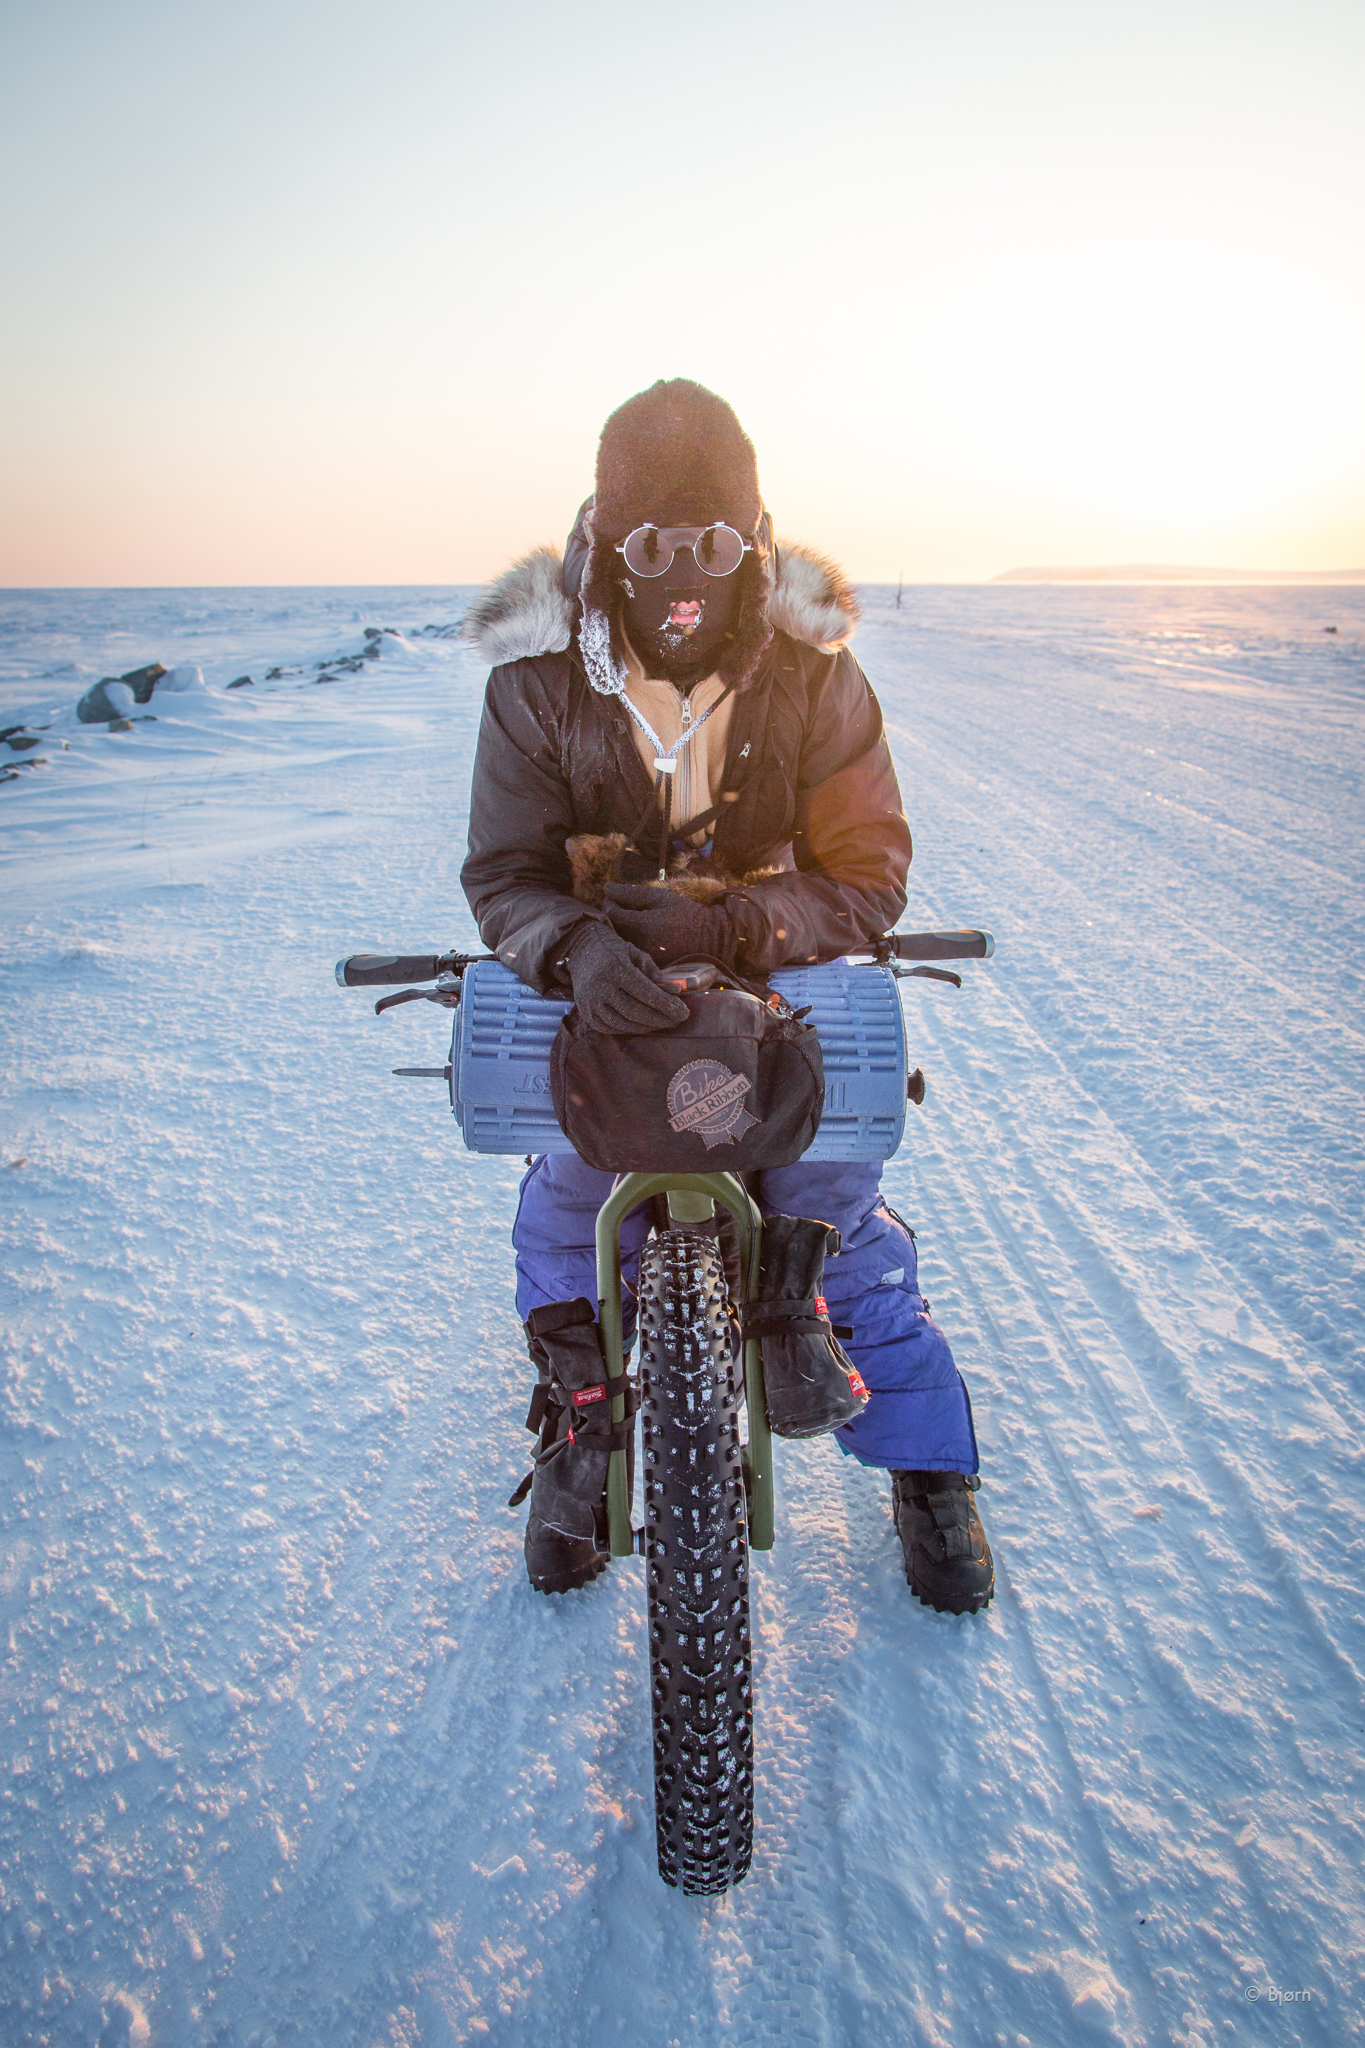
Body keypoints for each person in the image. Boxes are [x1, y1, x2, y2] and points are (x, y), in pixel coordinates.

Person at [461, 379, 993, 1614]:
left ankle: (919, 1457)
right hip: (616, 1000)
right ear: (605, 545)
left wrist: (747, 919)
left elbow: (868, 870)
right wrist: (570, 949)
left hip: (780, 988)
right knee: (573, 1210)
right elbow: (507, 875)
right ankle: (582, 1428)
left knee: (838, 1210)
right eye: (650, 546)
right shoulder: (536, 686)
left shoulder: (817, 678)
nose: (681, 576)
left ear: (753, 542)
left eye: (710, 542)